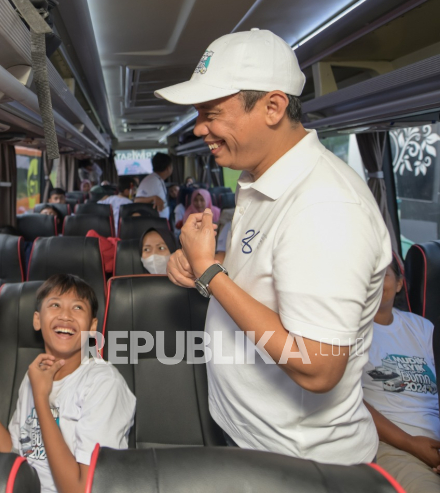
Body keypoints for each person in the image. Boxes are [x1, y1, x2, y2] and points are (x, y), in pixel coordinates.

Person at [160, 29, 390, 464]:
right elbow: (272, 266)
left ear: (273, 106)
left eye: (211, 112)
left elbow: (317, 367)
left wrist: (209, 271)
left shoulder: (325, 206)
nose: (198, 127)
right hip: (254, 437)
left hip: (297, 460)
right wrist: (202, 260)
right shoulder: (263, 181)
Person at [0, 274, 135, 493]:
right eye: (55, 305)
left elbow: (82, 489)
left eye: (77, 308)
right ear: (37, 320)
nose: (65, 315)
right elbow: (14, 449)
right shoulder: (34, 375)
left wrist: (41, 398)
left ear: (92, 327)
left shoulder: (104, 383)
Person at [363, 258, 440, 492]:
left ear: (399, 284)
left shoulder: (423, 328)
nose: (374, 282)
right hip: (393, 445)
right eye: (368, 274)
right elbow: (350, 402)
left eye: (383, 275)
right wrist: (412, 444)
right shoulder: (348, 334)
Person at [134, 153, 172, 218]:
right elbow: (137, 200)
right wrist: (153, 198)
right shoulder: (151, 181)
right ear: (168, 168)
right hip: (153, 224)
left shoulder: (158, 179)